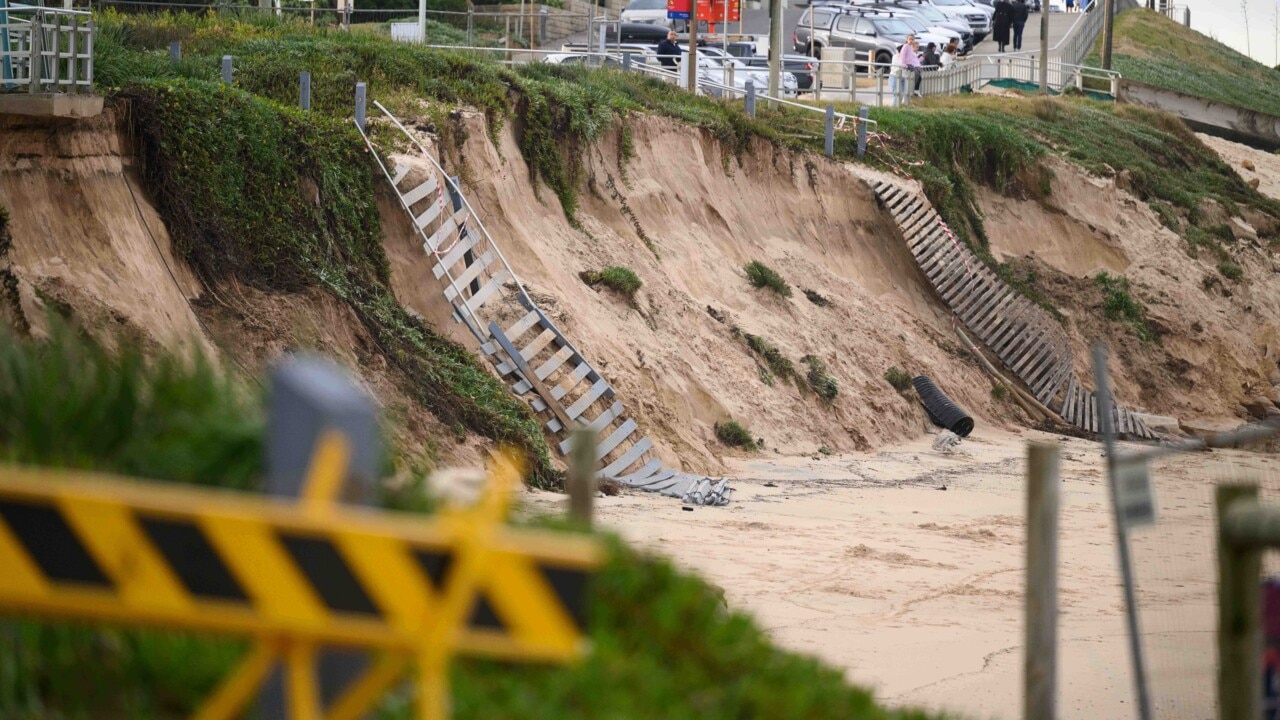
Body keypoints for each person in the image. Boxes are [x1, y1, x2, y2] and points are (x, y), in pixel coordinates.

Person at [892, 35, 922, 105]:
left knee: (918, 76)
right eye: (910, 39)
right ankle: (915, 90)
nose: (911, 41)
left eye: (912, 39)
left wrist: (916, 66)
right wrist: (903, 64)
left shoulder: (910, 47)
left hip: (910, 64)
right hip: (907, 64)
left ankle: (915, 90)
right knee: (916, 75)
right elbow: (903, 55)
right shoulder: (905, 46)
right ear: (907, 39)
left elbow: (912, 57)